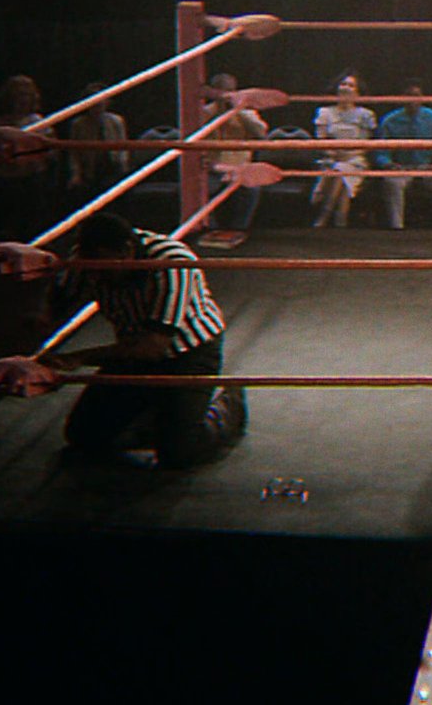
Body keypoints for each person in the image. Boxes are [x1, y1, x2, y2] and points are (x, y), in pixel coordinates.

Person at [37, 212, 245, 469]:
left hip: (189, 352)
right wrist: (33, 345)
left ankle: (226, 401)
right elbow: (56, 304)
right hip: (131, 350)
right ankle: (159, 413)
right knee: (83, 435)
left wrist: (77, 358)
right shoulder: (88, 260)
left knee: (179, 452)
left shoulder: (171, 262)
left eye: (102, 268)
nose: (96, 277)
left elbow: (153, 347)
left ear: (126, 251)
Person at [372, 78, 432, 230]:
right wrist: (388, 165)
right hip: (402, 168)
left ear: (422, 97)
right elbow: (380, 152)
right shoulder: (390, 121)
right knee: (392, 183)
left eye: (416, 95)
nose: (412, 100)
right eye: (408, 95)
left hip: (428, 168)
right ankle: (396, 229)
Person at [0, 74, 58, 241]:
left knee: (33, 221)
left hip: (33, 178)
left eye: (26, 94)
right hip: (7, 180)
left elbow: (51, 151)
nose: (22, 99)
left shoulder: (40, 122)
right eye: (18, 94)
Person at [200, 72, 269, 246]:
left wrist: (238, 109)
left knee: (252, 188)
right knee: (198, 188)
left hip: (240, 167)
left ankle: (239, 228)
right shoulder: (204, 113)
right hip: (213, 168)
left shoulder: (246, 113)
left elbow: (261, 133)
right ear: (214, 92)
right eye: (222, 90)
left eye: (230, 90)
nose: (226, 95)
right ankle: (209, 228)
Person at [310, 70, 376, 227]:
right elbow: (321, 140)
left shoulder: (365, 115)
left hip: (355, 160)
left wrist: (347, 155)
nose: (346, 88)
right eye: (343, 84)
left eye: (351, 85)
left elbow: (366, 145)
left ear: (357, 93)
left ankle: (324, 216)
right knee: (340, 171)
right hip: (330, 159)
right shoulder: (325, 112)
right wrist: (333, 153)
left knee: (341, 171)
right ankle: (340, 219)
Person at [64, 81, 129, 205]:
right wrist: (76, 174)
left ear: (107, 101)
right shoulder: (78, 124)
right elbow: (74, 152)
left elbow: (123, 147)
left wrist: (123, 169)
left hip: (113, 167)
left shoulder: (116, 121)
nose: (98, 103)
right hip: (90, 169)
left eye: (101, 99)